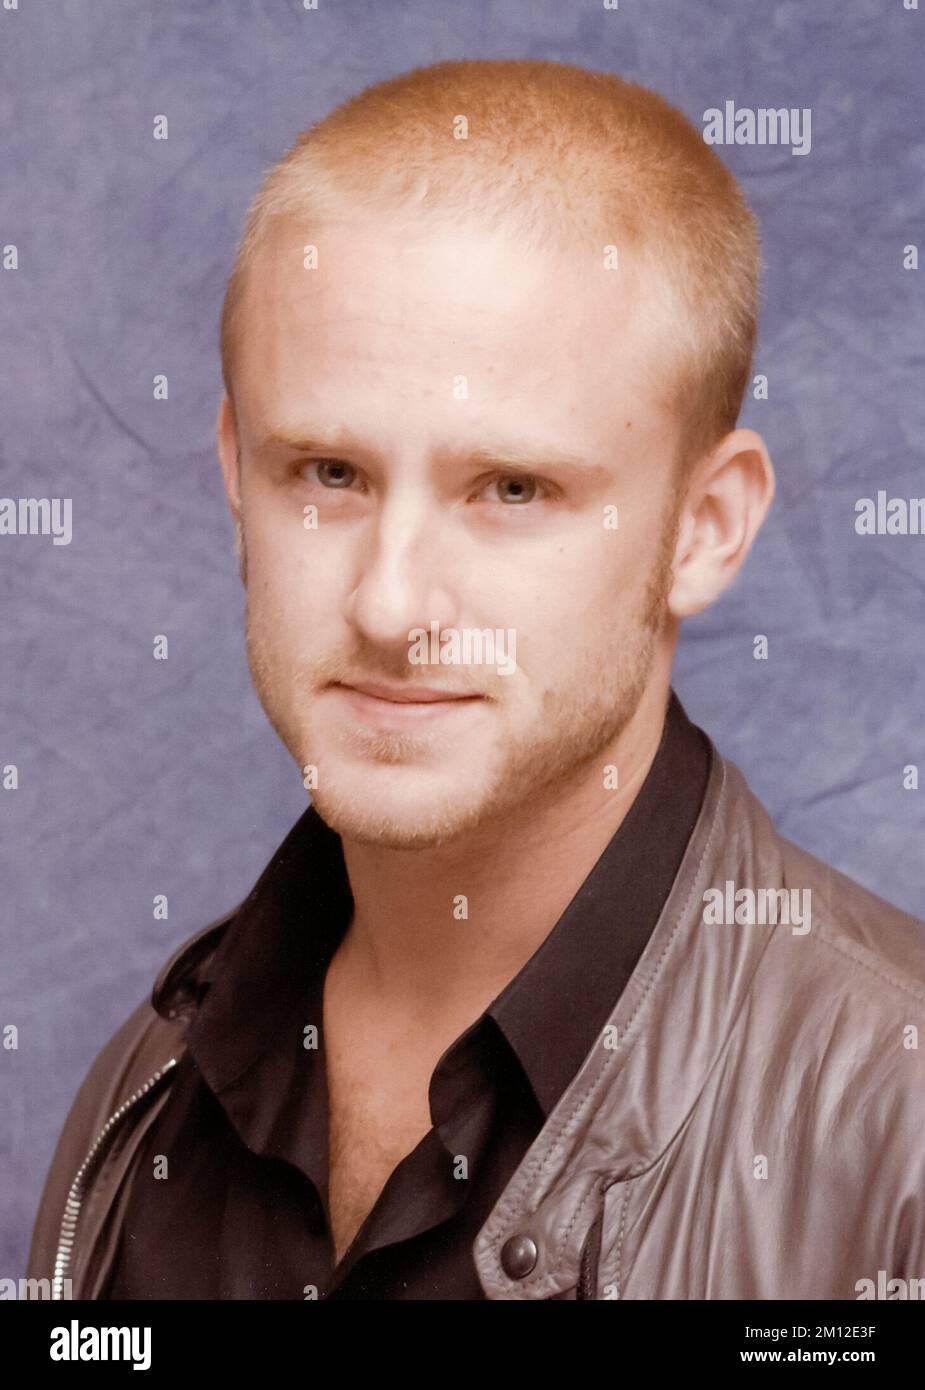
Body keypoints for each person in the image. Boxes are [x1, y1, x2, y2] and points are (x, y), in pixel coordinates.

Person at [27, 59, 925, 1301]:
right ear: (237, 470)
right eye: (328, 473)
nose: (392, 606)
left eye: (511, 490)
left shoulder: (898, 1136)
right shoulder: (148, 1096)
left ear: (705, 527)